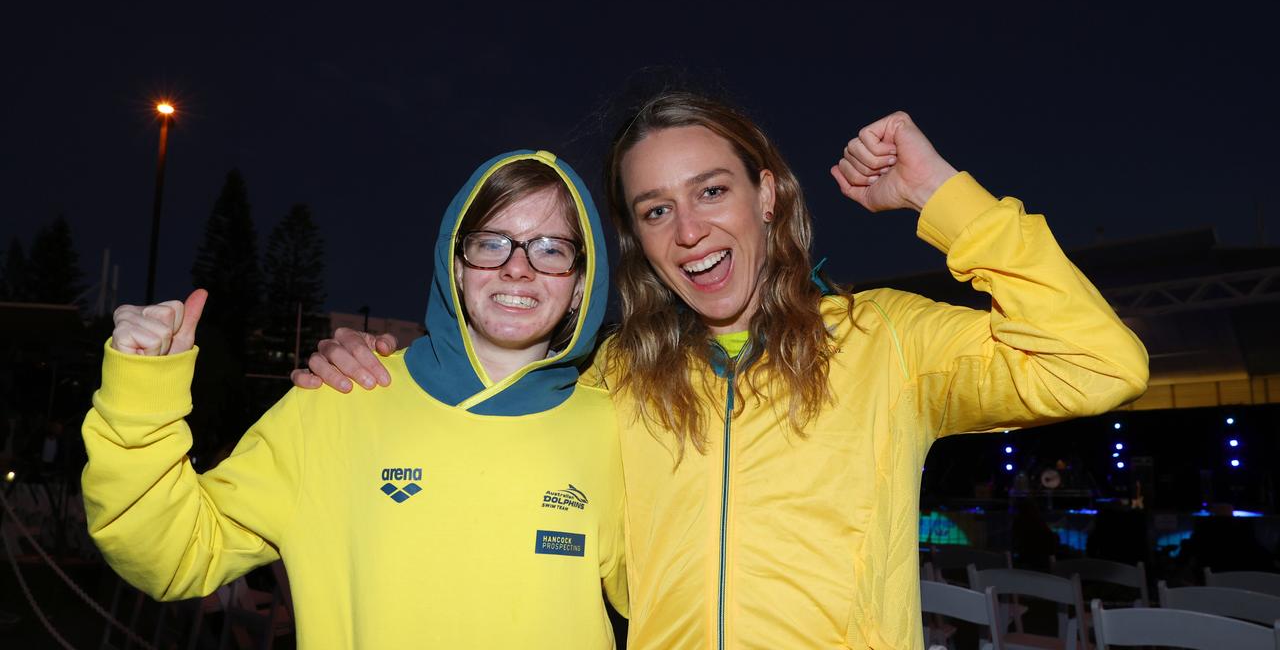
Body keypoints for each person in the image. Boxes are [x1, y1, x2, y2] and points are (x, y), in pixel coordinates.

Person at [297, 93, 1150, 649]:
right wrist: (393, 374)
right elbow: (483, 443)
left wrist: (944, 196)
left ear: (768, 195)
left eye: (712, 192)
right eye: (656, 210)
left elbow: (1099, 365)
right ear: (638, 239)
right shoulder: (617, 380)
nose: (690, 231)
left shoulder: (887, 342)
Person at [81, 152, 627, 649]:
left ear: (582, 282)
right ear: (455, 266)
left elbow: (680, 597)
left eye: (552, 249)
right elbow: (173, 555)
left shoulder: (617, 427)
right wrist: (142, 393)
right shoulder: (341, 399)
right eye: (491, 242)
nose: (517, 266)